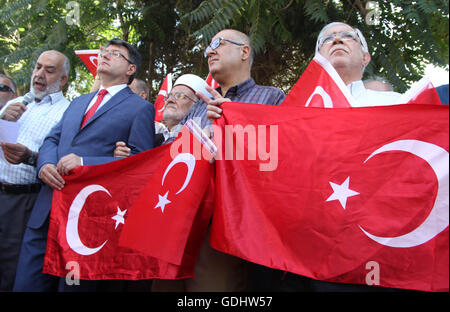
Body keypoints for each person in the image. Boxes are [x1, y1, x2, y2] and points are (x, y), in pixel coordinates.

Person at [13, 38, 155, 292]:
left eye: (115, 54)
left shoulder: (140, 109)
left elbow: (139, 165)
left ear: (130, 69)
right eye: (104, 52)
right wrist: (45, 163)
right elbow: (53, 139)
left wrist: (86, 162)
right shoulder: (78, 102)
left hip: (86, 221)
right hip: (47, 209)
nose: (105, 55)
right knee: (26, 284)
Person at [166, 29, 285, 292]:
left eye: (218, 43)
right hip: (183, 219)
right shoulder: (199, 106)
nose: (210, 51)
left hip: (230, 225)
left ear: (245, 52)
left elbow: (275, 160)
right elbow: (177, 156)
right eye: (209, 46)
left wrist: (230, 124)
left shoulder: (272, 98)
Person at [0, 50, 71, 291]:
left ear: (63, 79)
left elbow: (61, 164)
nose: (39, 74)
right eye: (38, 67)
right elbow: (5, 149)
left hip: (27, 202)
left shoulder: (67, 113)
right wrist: (2, 120)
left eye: (49, 70)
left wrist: (31, 158)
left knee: (11, 271)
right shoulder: (13, 105)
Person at [114, 74, 213, 158]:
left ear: (197, 106)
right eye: (169, 96)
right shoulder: (150, 140)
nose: (170, 100)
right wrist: (125, 156)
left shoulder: (201, 142)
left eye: (180, 96)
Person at [313, 22, 402, 107]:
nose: (337, 40)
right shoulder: (303, 111)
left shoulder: (397, 104)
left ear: (365, 58)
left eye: (348, 36)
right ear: (317, 62)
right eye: (327, 39)